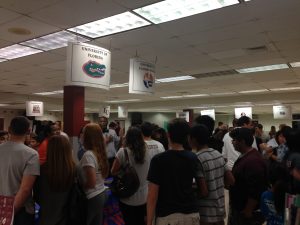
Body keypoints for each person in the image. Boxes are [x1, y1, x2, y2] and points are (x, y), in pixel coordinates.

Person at [147, 118, 202, 225]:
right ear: (187, 137)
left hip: (167, 216)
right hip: (191, 213)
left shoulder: (158, 160)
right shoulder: (193, 157)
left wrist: (149, 221)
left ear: (168, 135)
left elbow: (152, 195)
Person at [111, 126, 160, 225]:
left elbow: (113, 171)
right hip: (144, 197)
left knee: (129, 221)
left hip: (128, 197)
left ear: (127, 137)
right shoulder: (148, 150)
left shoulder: (123, 152)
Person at [190, 124, 234, 225]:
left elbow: (204, 192)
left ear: (194, 139)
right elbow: (231, 180)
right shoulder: (217, 154)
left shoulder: (197, 158)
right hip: (219, 210)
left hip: (205, 214)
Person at [0, 116, 40, 225]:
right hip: (20, 210)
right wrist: (10, 213)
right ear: (29, 131)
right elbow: (25, 190)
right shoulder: (31, 154)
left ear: (9, 129)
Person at [228, 128, 268, 225]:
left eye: (234, 140)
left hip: (247, 212)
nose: (232, 142)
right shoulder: (245, 156)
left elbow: (256, 189)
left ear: (242, 142)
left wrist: (248, 211)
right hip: (239, 208)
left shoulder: (253, 161)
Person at [35, 135, 76, 225]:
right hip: (67, 217)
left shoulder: (41, 170)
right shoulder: (73, 169)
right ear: (68, 149)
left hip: (45, 217)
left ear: (49, 149)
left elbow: (36, 194)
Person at [79, 123, 109, 225]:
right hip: (100, 192)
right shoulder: (99, 152)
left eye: (83, 133)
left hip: (92, 196)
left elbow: (91, 183)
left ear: (88, 136)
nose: (81, 135)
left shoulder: (88, 155)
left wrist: (79, 185)